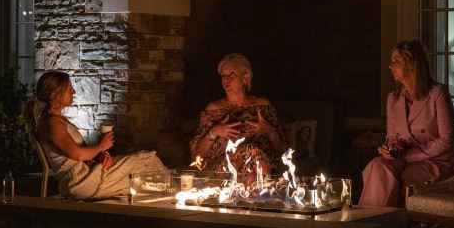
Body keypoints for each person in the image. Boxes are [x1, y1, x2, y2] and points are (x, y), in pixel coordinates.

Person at [25, 71, 166, 199]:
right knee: (147, 161)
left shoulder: (56, 120)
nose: (73, 91)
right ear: (56, 94)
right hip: (81, 181)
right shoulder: (52, 123)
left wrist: (100, 156)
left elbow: (78, 154)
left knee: (145, 163)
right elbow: (77, 154)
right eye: (69, 88)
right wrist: (101, 146)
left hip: (85, 174)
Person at [358, 39, 454, 207]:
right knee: (377, 166)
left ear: (412, 64)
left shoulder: (437, 94)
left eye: (396, 61)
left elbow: (446, 140)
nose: (390, 66)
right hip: (402, 158)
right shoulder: (393, 99)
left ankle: (390, 226)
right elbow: (391, 137)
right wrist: (389, 149)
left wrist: (412, 156)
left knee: (406, 179)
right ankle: (369, 224)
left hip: (435, 161)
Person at [190, 53, 286, 181]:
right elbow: (197, 155)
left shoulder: (262, 106)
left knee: (254, 154)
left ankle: (257, 194)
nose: (226, 81)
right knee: (249, 151)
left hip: (261, 166)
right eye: (223, 76)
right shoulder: (214, 109)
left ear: (245, 77)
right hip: (224, 169)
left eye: (231, 75)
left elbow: (282, 150)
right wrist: (214, 132)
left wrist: (268, 130)